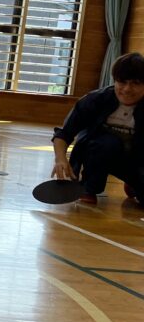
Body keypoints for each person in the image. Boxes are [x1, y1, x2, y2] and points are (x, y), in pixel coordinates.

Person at [52, 52, 144, 206]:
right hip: (100, 152)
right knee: (107, 143)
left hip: (135, 157)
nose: (127, 89)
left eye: (136, 83)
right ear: (114, 81)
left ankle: (133, 183)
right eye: (122, 82)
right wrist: (60, 159)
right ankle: (89, 188)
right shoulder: (95, 100)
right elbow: (64, 134)